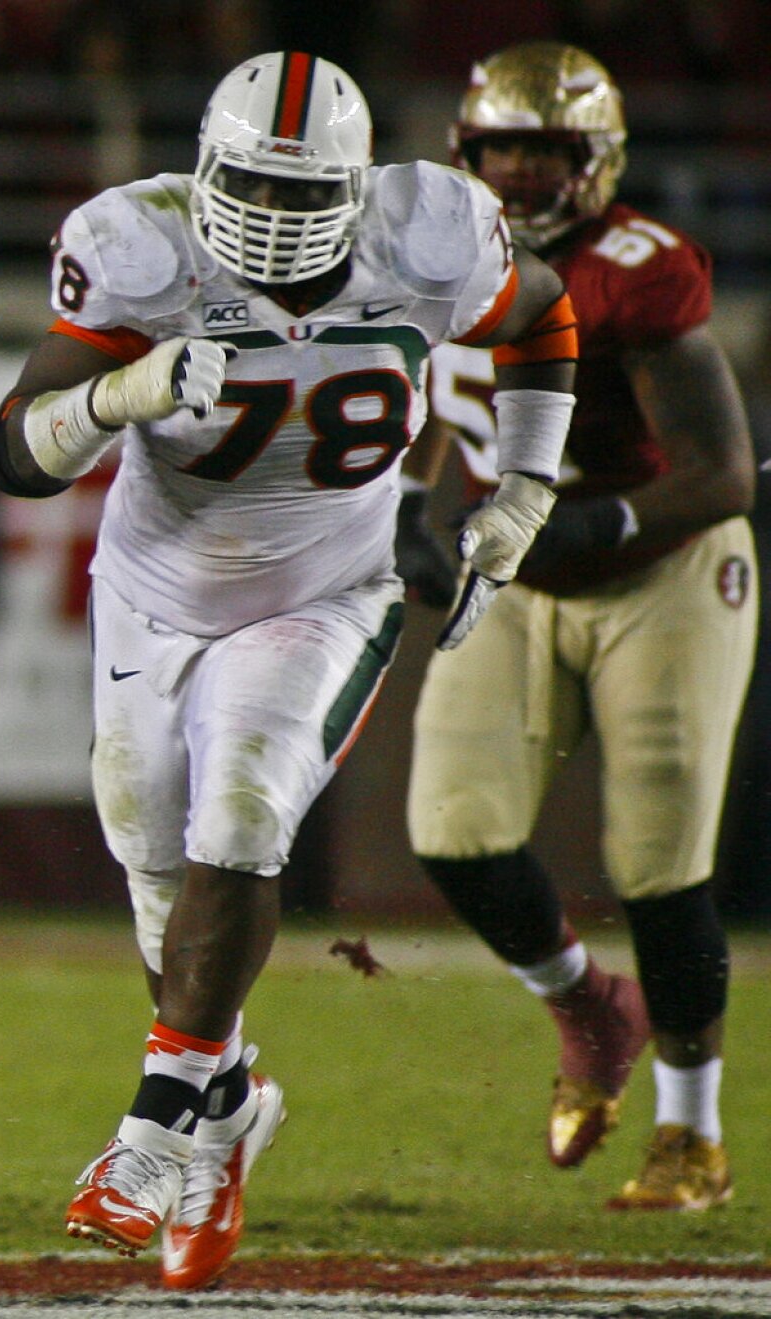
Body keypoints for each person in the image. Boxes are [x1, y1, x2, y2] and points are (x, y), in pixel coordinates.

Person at [0, 50, 579, 1288]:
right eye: (251, 185)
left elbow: (541, 314)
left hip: (324, 589)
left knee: (243, 814)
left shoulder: (431, 235)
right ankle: (230, 1101)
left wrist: (523, 488)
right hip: (154, 597)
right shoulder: (140, 246)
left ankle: (151, 1128)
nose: (271, 219)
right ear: (204, 167)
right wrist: (121, 393)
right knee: (159, 872)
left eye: (306, 196)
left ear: (359, 192)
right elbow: (14, 451)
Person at [399, 41, 757, 1210]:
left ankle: (690, 1132)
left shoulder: (633, 272)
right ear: (463, 150)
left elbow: (722, 473)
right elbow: (434, 403)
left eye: (543, 153)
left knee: (656, 863)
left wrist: (593, 522)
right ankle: (587, 1008)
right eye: (499, 149)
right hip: (524, 569)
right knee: (452, 829)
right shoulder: (431, 256)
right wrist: (408, 505)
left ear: (591, 163)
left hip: (658, 565)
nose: (514, 174)